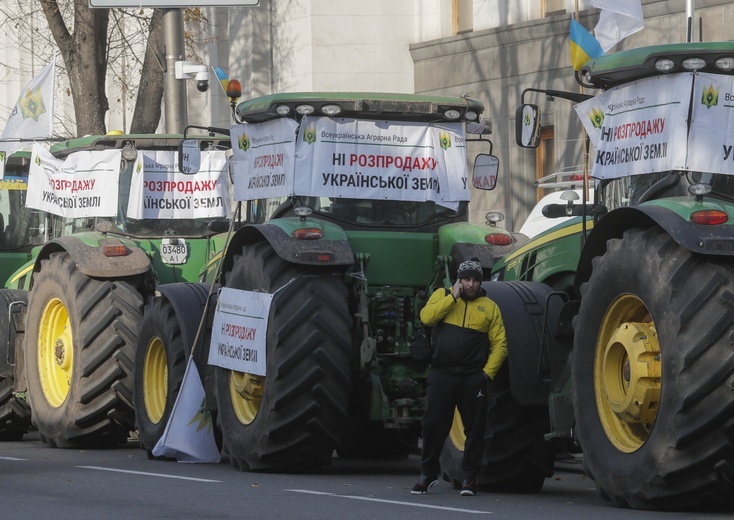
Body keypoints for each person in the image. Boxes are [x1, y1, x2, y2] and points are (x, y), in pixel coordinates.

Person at [411, 258, 508, 497]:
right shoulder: (442, 295)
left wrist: (486, 375)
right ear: (458, 280)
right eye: (466, 279)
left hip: (473, 378)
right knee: (433, 424)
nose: (471, 284)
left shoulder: (490, 307)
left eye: (475, 280)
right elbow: (427, 318)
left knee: (475, 429)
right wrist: (451, 297)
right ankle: (427, 475)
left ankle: (469, 479)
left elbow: (500, 345)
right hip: (442, 373)